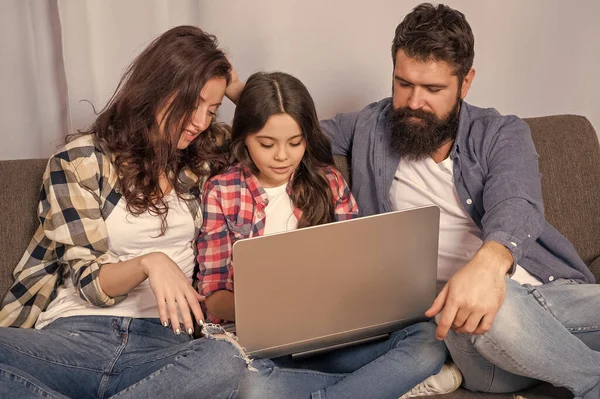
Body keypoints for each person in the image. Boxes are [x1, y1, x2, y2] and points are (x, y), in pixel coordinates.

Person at [319, 3, 600, 398]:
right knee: (493, 306)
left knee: (495, 292)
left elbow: (517, 201)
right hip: (474, 335)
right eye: (403, 83)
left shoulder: (500, 133)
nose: (415, 102)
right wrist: (240, 91)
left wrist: (488, 264)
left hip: (551, 294)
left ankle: (563, 365)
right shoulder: (368, 126)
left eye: (433, 89)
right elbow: (284, 131)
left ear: (465, 83)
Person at [0, 26, 250, 398]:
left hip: (164, 348)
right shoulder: (80, 161)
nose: (200, 122)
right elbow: (89, 282)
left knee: (225, 360)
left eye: (211, 110)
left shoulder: (205, 155)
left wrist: (235, 84)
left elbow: (286, 135)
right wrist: (150, 262)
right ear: (159, 89)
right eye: (191, 103)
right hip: (76, 338)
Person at [196, 71, 460, 399]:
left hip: (334, 338)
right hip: (263, 348)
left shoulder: (329, 182)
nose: (282, 156)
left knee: (426, 341)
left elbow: (358, 267)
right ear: (244, 139)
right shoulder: (221, 191)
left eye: (295, 143)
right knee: (249, 384)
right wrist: (273, 311)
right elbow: (212, 296)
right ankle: (380, 387)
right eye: (266, 144)